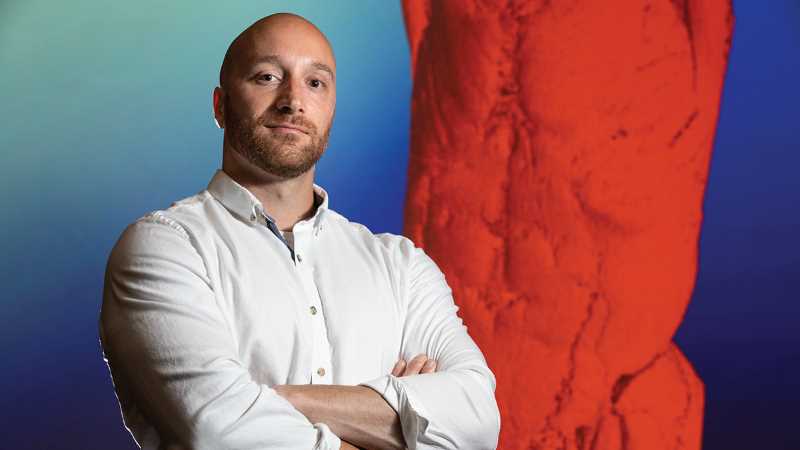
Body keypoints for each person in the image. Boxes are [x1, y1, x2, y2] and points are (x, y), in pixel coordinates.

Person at [99, 12, 500, 450]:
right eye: (267, 77)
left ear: (330, 108)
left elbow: (478, 423)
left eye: (315, 83)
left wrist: (271, 400)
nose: (293, 100)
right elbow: (216, 430)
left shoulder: (401, 266)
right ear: (220, 105)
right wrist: (406, 416)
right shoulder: (165, 248)